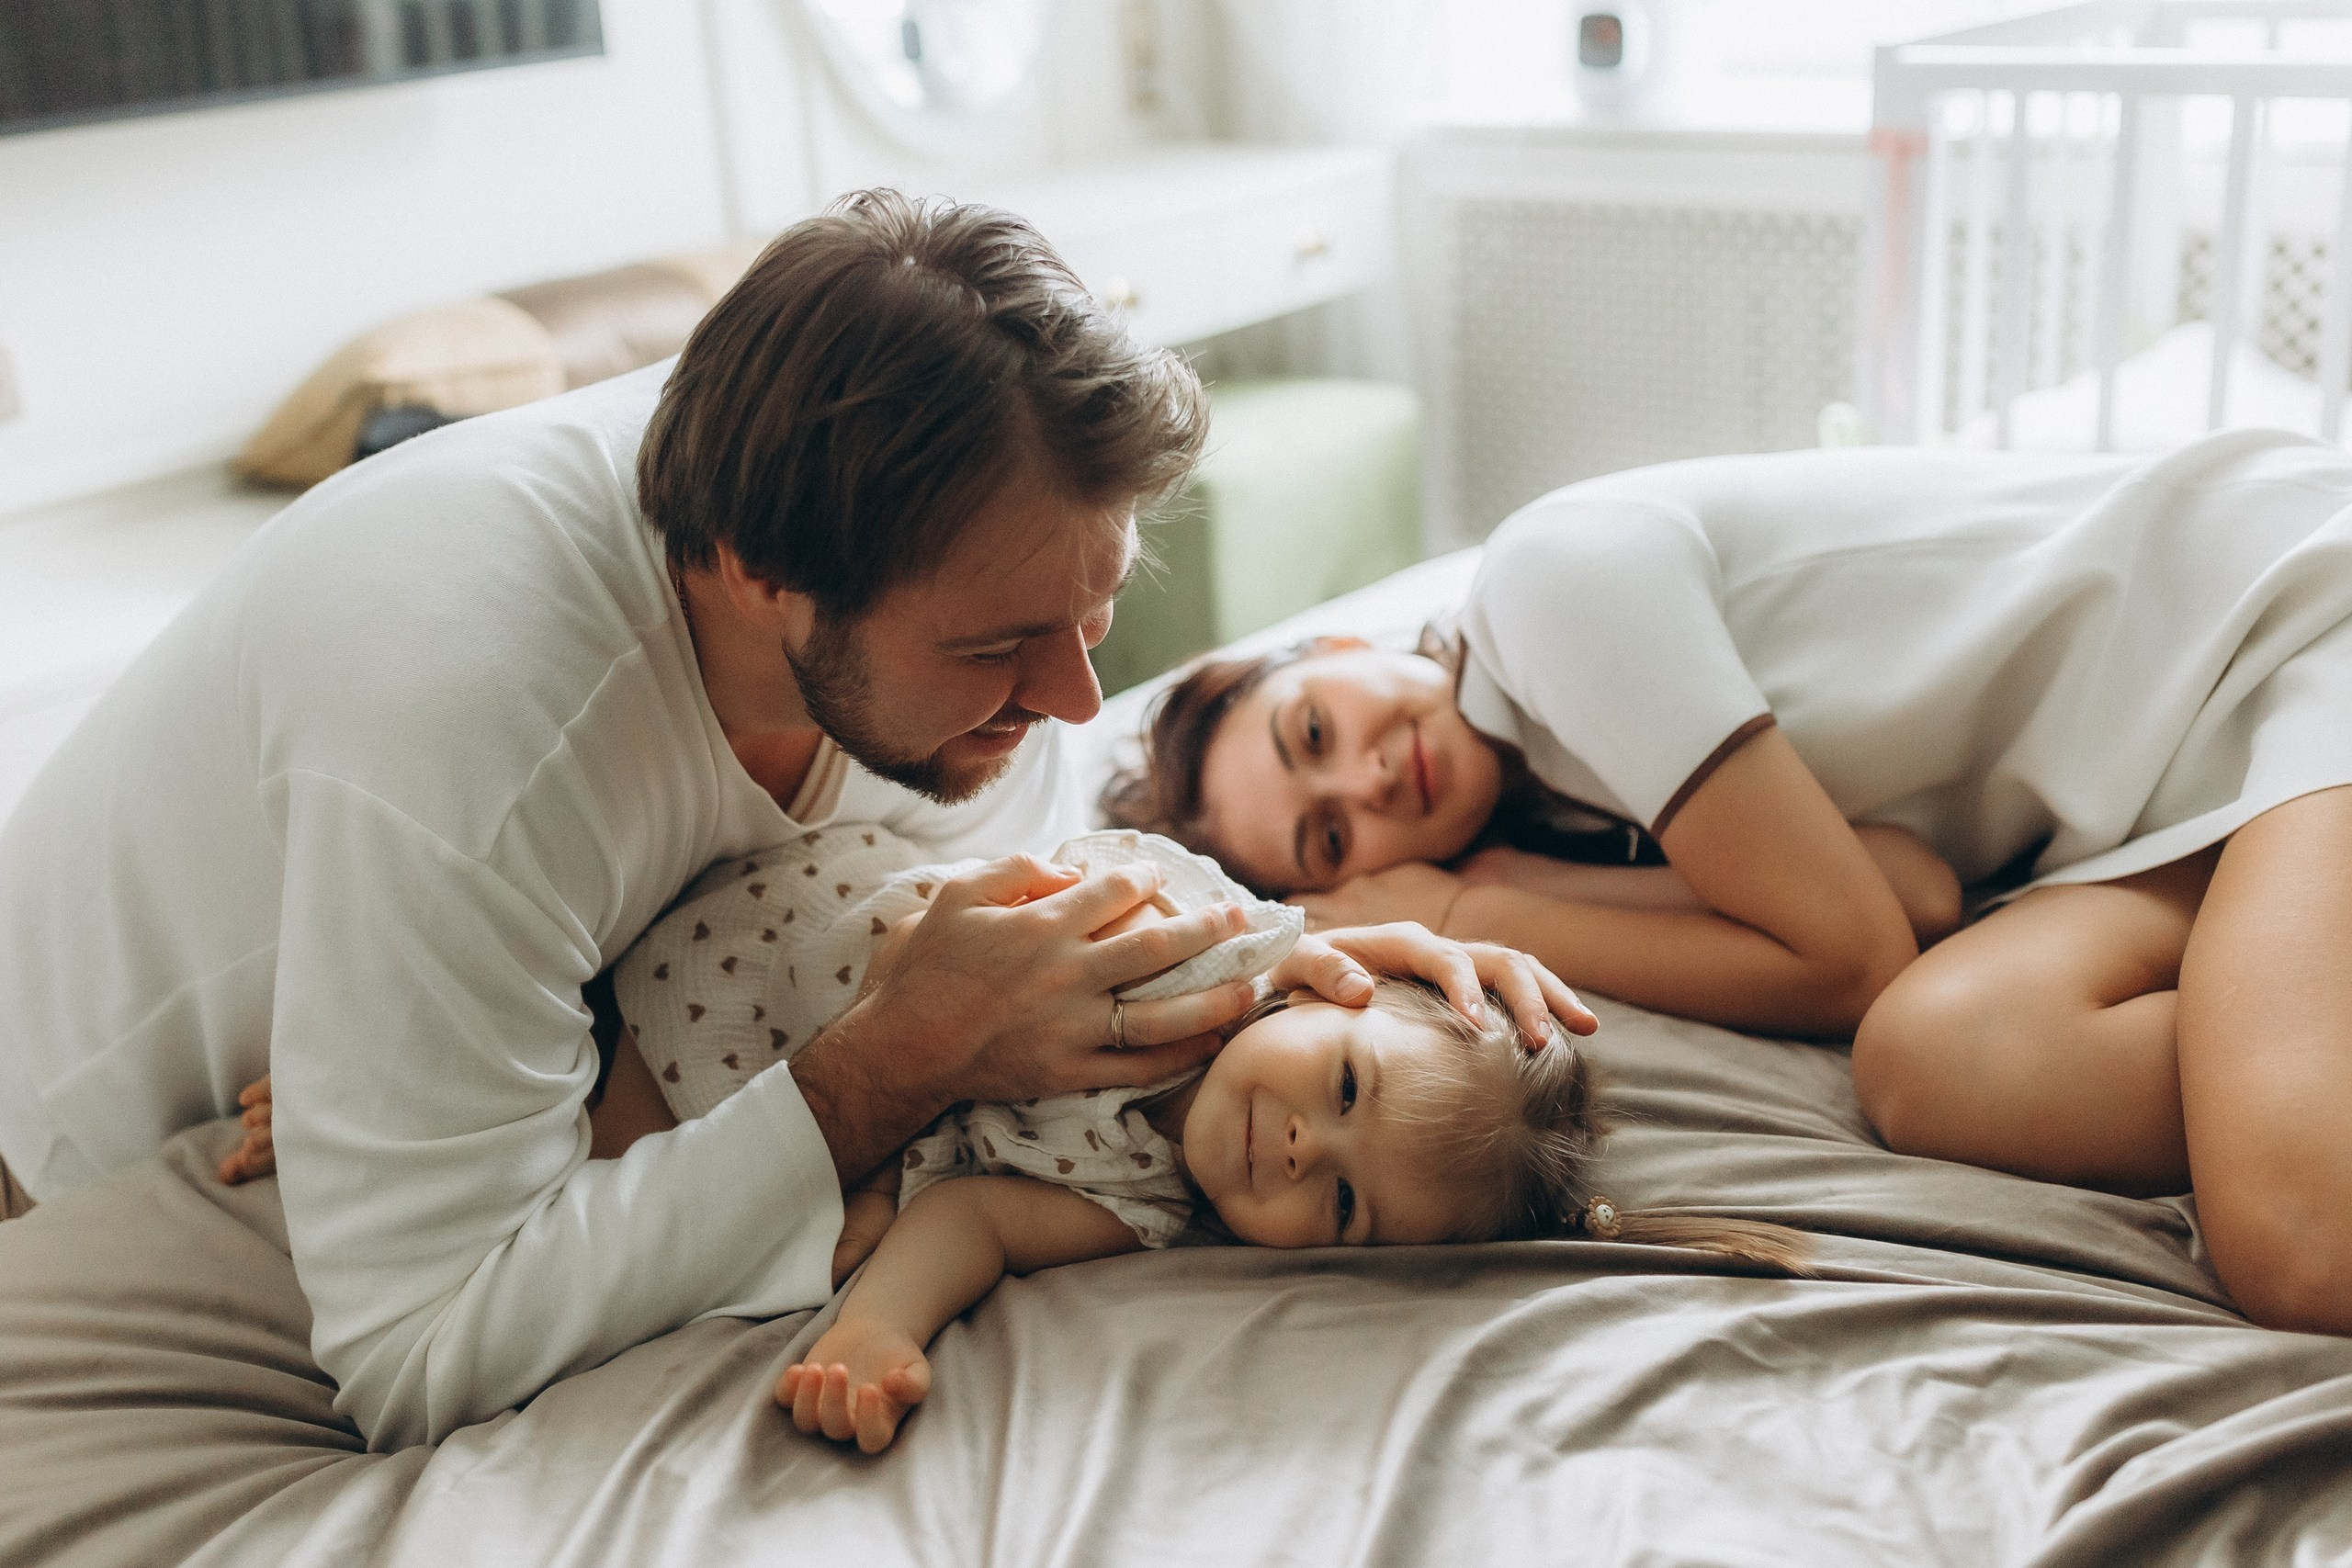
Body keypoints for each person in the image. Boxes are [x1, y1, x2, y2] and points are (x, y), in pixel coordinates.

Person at [0, 191, 1581, 1450]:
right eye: (995, 649)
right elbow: (419, 1351)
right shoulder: (477, 721)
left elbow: (964, 876)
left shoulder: (925, 557)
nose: (1077, 703)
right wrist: (888, 1067)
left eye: (1095, 611)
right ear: (763, 569)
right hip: (77, 1170)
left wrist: (1283, 962)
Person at [1110, 435, 2352, 1337]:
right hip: (2179, 795)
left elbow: (1847, 957)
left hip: (2289, 631)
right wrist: (1509, 877)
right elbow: (1910, 896)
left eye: (1315, 732)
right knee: (1943, 1057)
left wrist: (1456, 912)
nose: (1373, 783)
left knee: (2294, 1238)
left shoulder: (1548, 590)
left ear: (1332, 650)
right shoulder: (1561, 802)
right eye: (1333, 841)